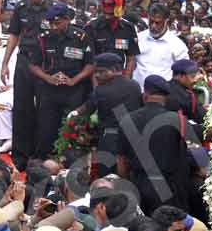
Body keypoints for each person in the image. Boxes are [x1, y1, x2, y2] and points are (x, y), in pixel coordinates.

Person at [117, 75, 191, 214]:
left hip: (139, 183)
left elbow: (121, 161)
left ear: (145, 95)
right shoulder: (176, 119)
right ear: (166, 98)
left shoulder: (127, 119)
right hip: (167, 186)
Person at [28, 3, 94, 159]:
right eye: (51, 23)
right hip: (49, 91)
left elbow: (91, 65)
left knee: (71, 130)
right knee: (46, 131)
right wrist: (47, 78)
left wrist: (74, 80)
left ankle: (68, 165)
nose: (53, 27)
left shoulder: (81, 37)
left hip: (74, 91)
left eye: (57, 23)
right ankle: (44, 163)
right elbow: (32, 65)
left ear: (67, 20)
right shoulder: (43, 38)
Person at [2, 0, 51, 164]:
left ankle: (39, 154)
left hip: (45, 63)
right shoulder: (21, 8)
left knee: (43, 108)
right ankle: (20, 154)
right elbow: (14, 34)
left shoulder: (54, 9)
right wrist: (5, 63)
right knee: (22, 108)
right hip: (24, 60)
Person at [73, 53, 143, 176]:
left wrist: (73, 114)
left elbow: (86, 109)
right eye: (96, 72)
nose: (97, 76)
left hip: (111, 140)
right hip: (133, 139)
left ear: (116, 70)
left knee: (106, 177)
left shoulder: (101, 90)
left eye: (101, 72)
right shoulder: (135, 86)